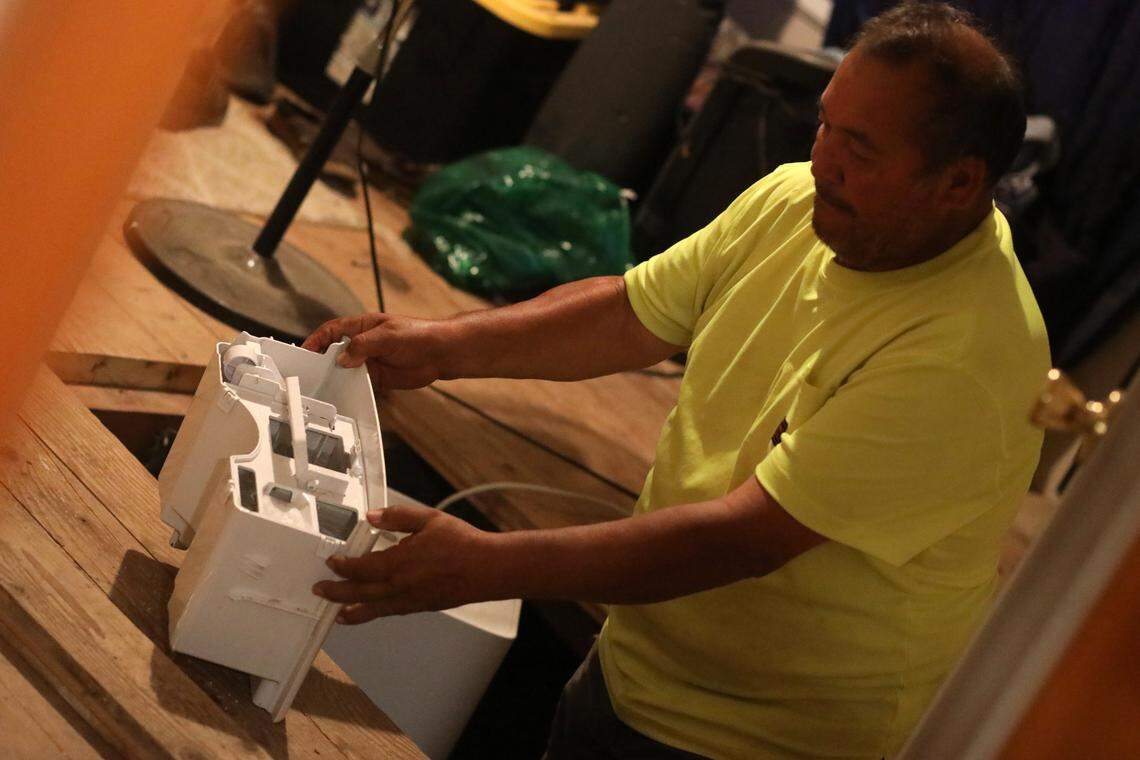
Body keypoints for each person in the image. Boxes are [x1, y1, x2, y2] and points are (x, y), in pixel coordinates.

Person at [307, 3, 1049, 757]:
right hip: (641, 662)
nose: (825, 158)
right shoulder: (800, 197)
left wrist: (488, 565)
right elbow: (632, 312)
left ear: (959, 183)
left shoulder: (964, 354)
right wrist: (440, 347)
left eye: (860, 146)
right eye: (826, 124)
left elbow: (742, 540)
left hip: (768, 739)